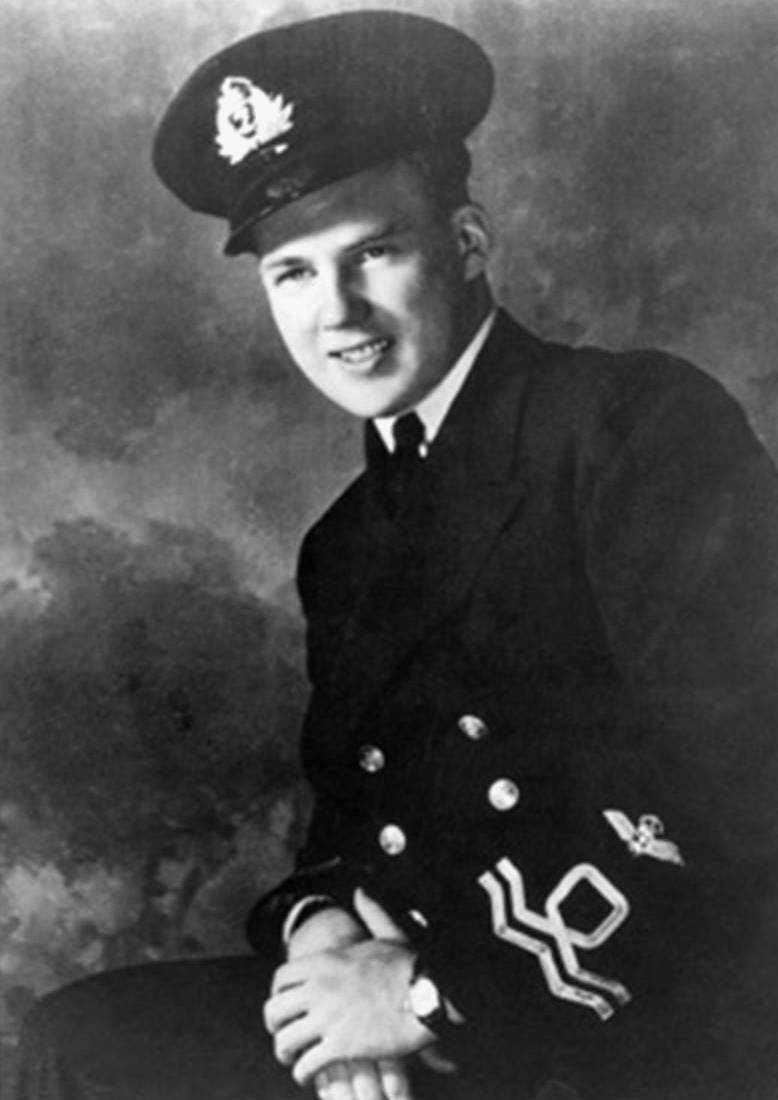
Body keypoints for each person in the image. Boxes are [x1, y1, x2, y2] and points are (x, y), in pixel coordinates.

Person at [14, 10, 778, 1100]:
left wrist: (429, 994)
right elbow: (351, 826)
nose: (338, 313)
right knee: (78, 1040)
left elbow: (744, 791)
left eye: (374, 251)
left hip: (614, 1018)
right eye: (293, 273)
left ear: (465, 244)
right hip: (407, 997)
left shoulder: (628, 426)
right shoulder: (343, 543)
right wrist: (323, 933)